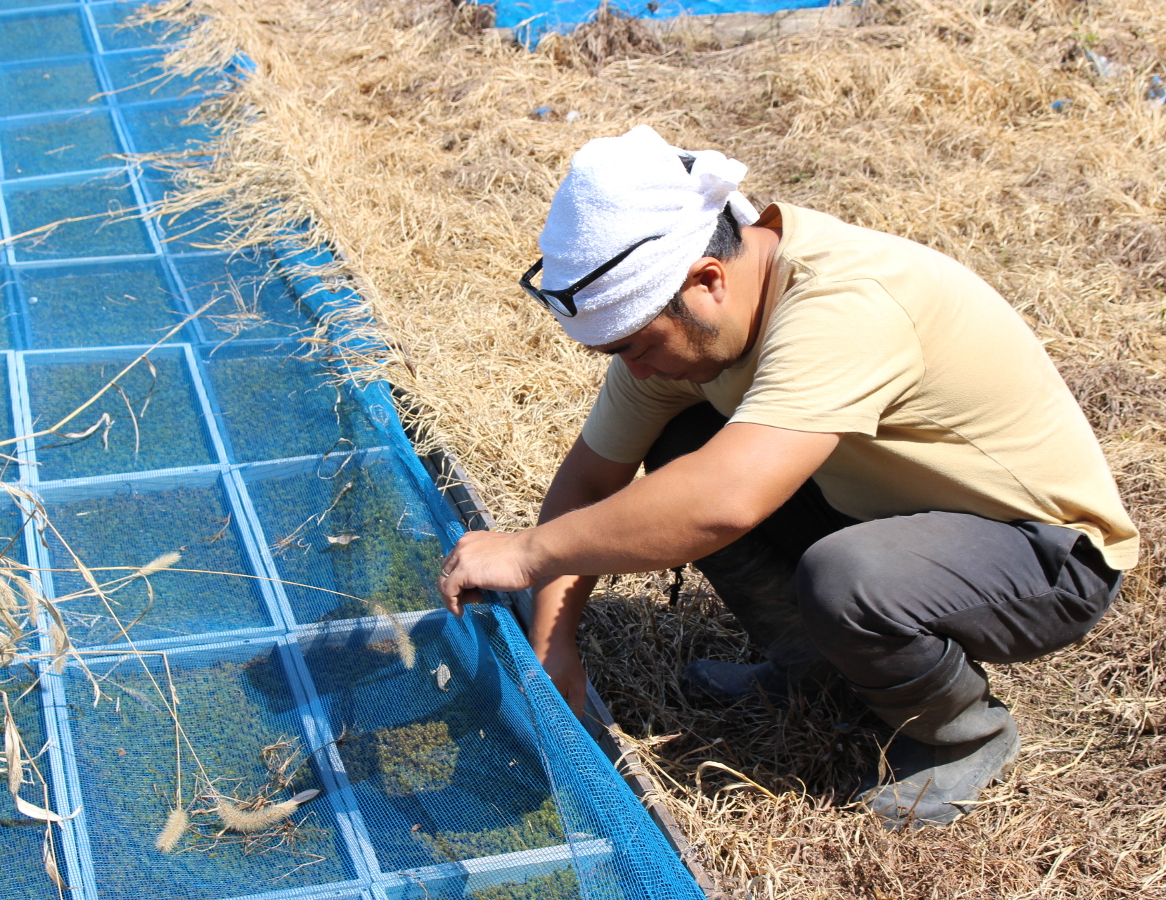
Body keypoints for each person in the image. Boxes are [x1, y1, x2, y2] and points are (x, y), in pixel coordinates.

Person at [435, 125, 1137, 827]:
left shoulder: (845, 304)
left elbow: (725, 502)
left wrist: (528, 552)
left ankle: (961, 734)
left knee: (842, 574)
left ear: (708, 280)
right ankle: (814, 665)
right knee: (684, 449)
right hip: (887, 508)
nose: (637, 371)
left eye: (640, 348)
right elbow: (591, 482)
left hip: (1046, 554)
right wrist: (554, 646)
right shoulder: (695, 318)